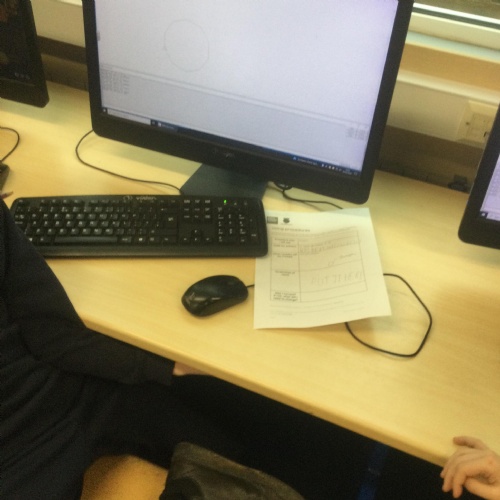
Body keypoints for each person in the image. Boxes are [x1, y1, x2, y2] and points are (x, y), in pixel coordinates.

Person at [0, 197, 373, 499]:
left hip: (68, 395)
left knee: (262, 451)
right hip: (17, 463)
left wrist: (166, 366)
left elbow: (49, 331)